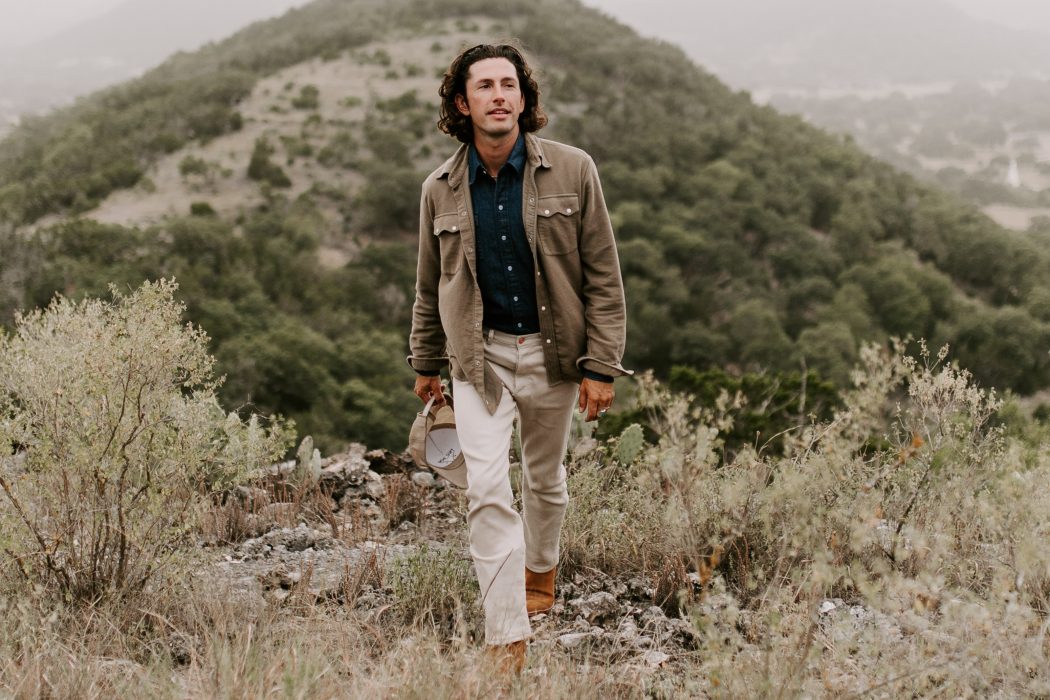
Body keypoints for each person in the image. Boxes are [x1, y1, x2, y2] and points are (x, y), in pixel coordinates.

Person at [407, 43, 629, 672]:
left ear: (524, 97)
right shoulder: (439, 189)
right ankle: (505, 636)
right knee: (485, 488)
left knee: (544, 481)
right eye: (485, 86)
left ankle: (540, 571)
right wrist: (425, 362)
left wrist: (601, 365)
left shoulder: (574, 169)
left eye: (509, 84)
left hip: (555, 353)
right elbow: (429, 283)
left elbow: (604, 275)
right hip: (479, 358)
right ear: (462, 103)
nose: (499, 95)